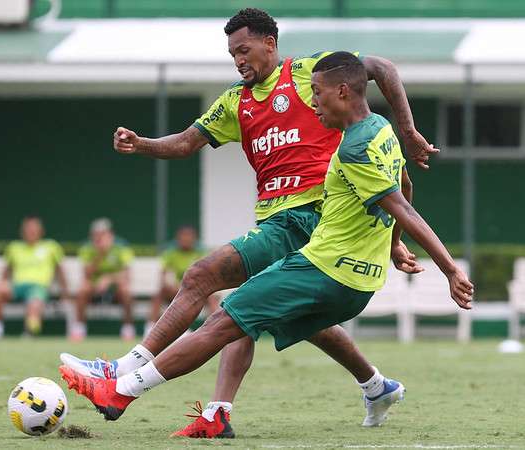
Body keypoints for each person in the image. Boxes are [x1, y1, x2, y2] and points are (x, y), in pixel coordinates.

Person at [60, 8, 437, 438]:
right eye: (232, 53)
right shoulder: (235, 101)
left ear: (270, 44)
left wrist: (408, 131)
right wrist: (142, 143)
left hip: (310, 216)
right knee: (252, 312)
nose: (238, 60)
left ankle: (123, 369)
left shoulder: (308, 73)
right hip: (280, 221)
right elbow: (185, 143)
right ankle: (373, 386)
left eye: (244, 49)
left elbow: (382, 68)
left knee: (203, 275)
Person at [0, 216, 68, 339]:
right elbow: (6, 271)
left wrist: (65, 292)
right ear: (23, 231)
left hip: (38, 287)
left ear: (41, 231)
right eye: (28, 229)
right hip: (17, 287)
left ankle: (30, 333)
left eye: (34, 229)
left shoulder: (51, 246)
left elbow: (60, 271)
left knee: (34, 304)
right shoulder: (14, 247)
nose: (31, 231)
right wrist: (2, 283)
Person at [146, 225, 217, 338]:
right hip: (177, 290)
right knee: (160, 292)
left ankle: (214, 329)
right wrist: (175, 285)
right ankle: (150, 328)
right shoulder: (170, 252)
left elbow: (207, 274)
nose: (186, 240)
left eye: (189, 237)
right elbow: (163, 275)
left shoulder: (201, 252)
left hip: (199, 290)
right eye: (183, 237)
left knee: (212, 296)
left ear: (194, 238)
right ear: (178, 238)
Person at [71, 218, 136, 341]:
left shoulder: (122, 248)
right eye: (96, 235)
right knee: (83, 288)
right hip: (94, 288)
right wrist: (100, 254)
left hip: (116, 288)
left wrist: (109, 279)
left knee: (126, 290)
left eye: (103, 234)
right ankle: (79, 328)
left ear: (110, 234)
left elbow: (126, 275)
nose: (99, 238)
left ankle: (128, 329)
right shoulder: (87, 249)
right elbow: (87, 275)